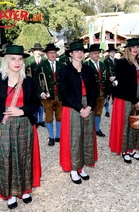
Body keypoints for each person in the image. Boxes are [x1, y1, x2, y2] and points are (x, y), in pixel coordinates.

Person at [0, 45, 41, 209]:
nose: (17, 62)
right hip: (4, 125)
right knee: (6, 158)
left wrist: (22, 111)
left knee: (24, 156)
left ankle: (25, 189)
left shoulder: (30, 81)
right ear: (6, 60)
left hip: (25, 124)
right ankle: (10, 193)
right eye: (13, 58)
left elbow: (35, 102)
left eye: (20, 59)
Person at [59, 41, 98, 184]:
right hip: (72, 108)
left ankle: (81, 166)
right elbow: (65, 93)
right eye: (76, 52)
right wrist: (80, 108)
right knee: (74, 138)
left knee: (86, 137)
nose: (80, 54)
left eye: (81, 51)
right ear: (71, 54)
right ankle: (74, 169)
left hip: (88, 107)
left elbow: (94, 90)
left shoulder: (88, 69)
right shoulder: (65, 70)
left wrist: (89, 107)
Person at [109, 38, 139, 163]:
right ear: (128, 49)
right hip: (126, 98)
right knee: (126, 124)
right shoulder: (122, 62)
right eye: (133, 47)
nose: (136, 49)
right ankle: (124, 150)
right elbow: (123, 84)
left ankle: (132, 148)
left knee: (137, 123)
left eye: (138, 46)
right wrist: (135, 100)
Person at [35, 43, 64, 146]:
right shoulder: (41, 66)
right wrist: (41, 92)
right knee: (48, 117)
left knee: (60, 116)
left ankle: (58, 136)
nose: (53, 54)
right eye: (50, 53)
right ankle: (51, 136)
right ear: (46, 54)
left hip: (60, 95)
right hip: (47, 96)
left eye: (54, 52)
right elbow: (36, 81)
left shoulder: (61, 65)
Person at [84, 44, 111, 137]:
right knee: (90, 111)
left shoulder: (103, 65)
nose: (97, 55)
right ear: (90, 54)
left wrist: (108, 92)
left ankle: (97, 129)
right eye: (95, 53)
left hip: (102, 91)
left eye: (98, 53)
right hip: (91, 93)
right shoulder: (86, 65)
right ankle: (89, 129)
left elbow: (107, 80)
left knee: (99, 111)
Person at [25, 43, 46, 127]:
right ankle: (35, 120)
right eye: (37, 50)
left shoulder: (44, 59)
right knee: (34, 102)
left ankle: (41, 120)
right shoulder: (28, 60)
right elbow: (24, 71)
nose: (39, 52)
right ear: (33, 51)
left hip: (42, 84)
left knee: (41, 103)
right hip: (31, 84)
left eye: (40, 50)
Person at [103, 45, 118, 117]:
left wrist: (115, 77)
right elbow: (105, 71)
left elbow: (118, 71)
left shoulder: (117, 61)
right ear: (109, 53)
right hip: (108, 80)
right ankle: (107, 111)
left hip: (115, 80)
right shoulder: (106, 61)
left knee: (115, 96)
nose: (113, 53)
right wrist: (109, 77)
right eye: (111, 52)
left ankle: (115, 110)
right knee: (107, 96)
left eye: (114, 52)